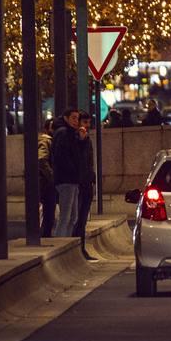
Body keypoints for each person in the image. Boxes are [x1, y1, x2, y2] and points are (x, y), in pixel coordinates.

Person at [51, 108, 85, 239]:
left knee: (72, 216)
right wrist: (73, 170)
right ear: (66, 118)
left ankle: (66, 242)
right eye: (73, 118)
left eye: (77, 118)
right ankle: (61, 242)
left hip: (72, 179)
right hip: (66, 179)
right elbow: (62, 156)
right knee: (66, 216)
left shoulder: (70, 133)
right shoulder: (63, 133)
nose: (76, 121)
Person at [72, 113, 97, 259]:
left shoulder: (86, 139)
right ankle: (78, 249)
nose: (87, 125)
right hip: (81, 183)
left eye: (88, 122)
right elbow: (78, 158)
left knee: (82, 219)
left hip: (87, 182)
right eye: (84, 122)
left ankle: (81, 249)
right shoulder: (78, 138)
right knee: (78, 218)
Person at [37, 117, 58, 237]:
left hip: (45, 181)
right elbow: (41, 159)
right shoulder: (45, 141)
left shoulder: (49, 140)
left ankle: (45, 234)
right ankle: (44, 235)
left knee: (49, 212)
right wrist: (52, 177)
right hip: (45, 182)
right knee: (48, 211)